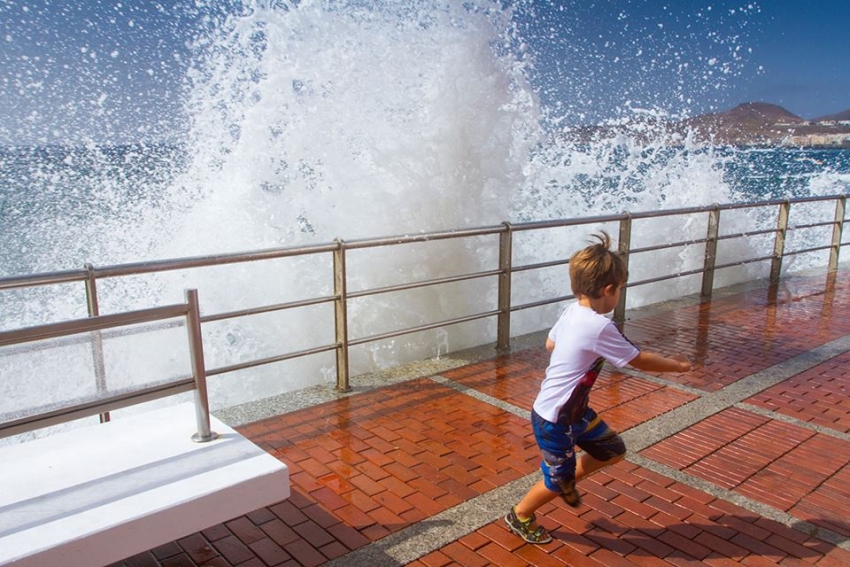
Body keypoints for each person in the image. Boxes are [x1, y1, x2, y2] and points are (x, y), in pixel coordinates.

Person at [505, 231, 692, 544]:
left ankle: (567, 475)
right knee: (556, 481)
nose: (618, 294)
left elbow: (550, 343)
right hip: (555, 419)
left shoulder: (572, 312)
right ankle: (520, 513)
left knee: (611, 450)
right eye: (619, 289)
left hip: (573, 413)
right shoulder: (599, 325)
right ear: (607, 290)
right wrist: (677, 364)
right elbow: (639, 359)